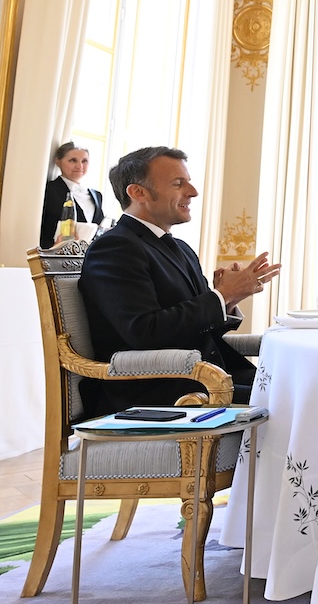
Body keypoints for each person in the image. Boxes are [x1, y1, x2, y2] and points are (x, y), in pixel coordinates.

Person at [78, 146, 281, 417]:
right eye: (178, 183)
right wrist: (221, 296)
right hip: (158, 390)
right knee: (298, 400)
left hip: (207, 377)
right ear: (138, 192)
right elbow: (145, 332)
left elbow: (197, 330)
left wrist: (229, 299)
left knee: (304, 388)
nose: (193, 192)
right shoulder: (115, 248)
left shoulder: (182, 248)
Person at [39, 141, 105, 248]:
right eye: (73, 160)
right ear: (58, 161)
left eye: (84, 161)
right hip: (55, 251)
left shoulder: (97, 195)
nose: (80, 166)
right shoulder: (48, 190)